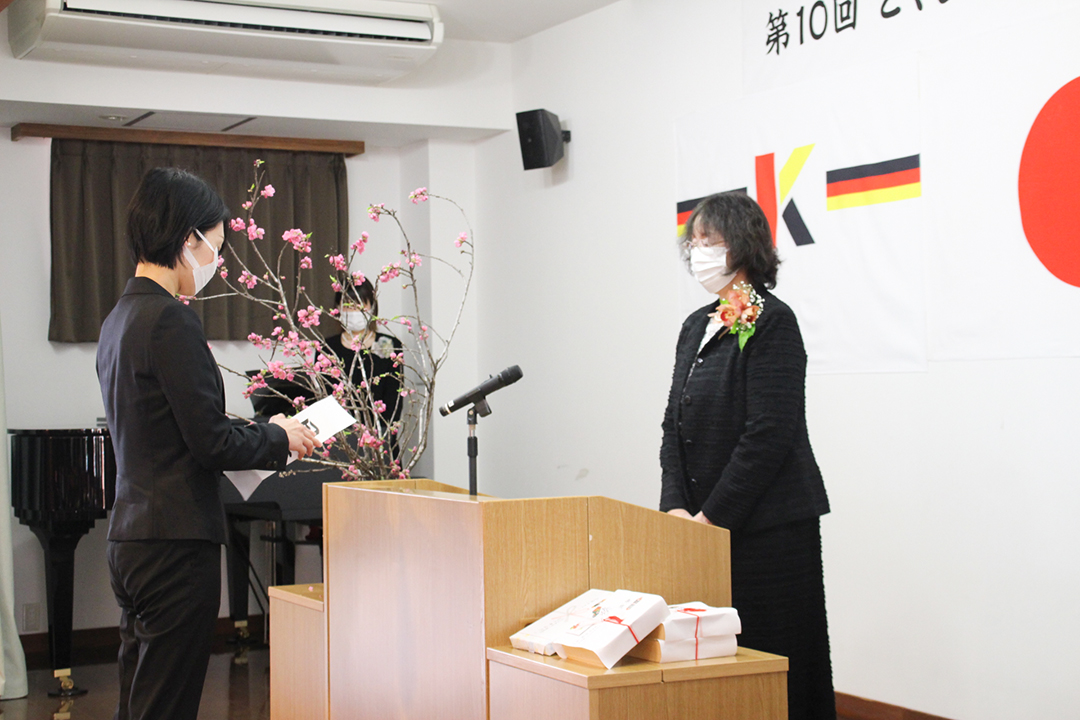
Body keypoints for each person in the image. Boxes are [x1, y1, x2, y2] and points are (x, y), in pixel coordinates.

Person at [96, 167, 318, 720]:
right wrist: (280, 436)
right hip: (174, 543)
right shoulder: (170, 320)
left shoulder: (119, 318)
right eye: (215, 248)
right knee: (167, 705)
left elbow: (179, 427)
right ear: (187, 239)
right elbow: (211, 442)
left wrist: (260, 432)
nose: (216, 262)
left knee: (139, 699)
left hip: (131, 537)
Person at [659, 191, 836, 720]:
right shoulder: (696, 324)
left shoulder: (772, 321)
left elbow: (769, 433)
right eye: (693, 243)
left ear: (741, 246)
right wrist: (676, 510)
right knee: (716, 672)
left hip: (768, 531)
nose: (698, 253)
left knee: (775, 663)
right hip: (701, 529)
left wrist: (713, 518)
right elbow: (673, 425)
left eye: (709, 241)